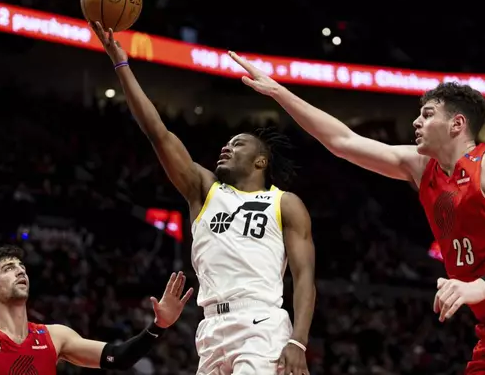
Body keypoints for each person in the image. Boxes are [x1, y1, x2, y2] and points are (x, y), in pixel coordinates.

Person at [229, 52, 485, 375]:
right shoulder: (420, 168)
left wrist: (478, 287)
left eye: (427, 114)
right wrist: (279, 93)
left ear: (457, 124)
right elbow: (344, 143)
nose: (416, 121)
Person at [90, 22, 316, 375]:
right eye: (226, 142)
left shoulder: (285, 203)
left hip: (261, 322)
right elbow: (157, 132)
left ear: (261, 161)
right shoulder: (204, 190)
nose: (226, 146)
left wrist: (298, 341)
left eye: (238, 143)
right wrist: (121, 64)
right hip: (209, 328)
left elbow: (304, 277)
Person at [0, 245, 192, 375]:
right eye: (9, 268)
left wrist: (158, 326)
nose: (21, 271)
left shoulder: (55, 336)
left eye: (22, 266)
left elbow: (119, 357)